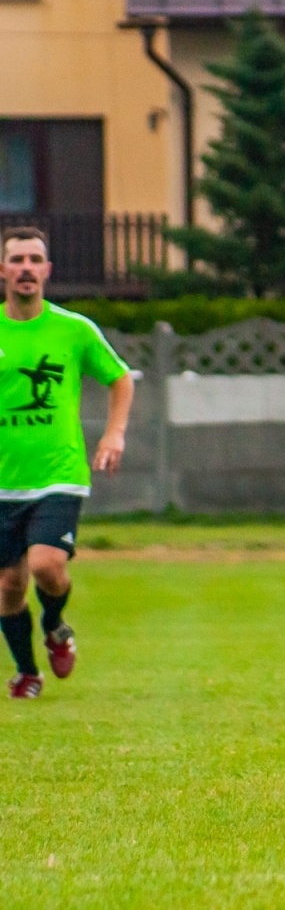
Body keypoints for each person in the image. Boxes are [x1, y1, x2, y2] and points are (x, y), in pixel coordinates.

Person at [0, 227, 134, 699]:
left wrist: (114, 432)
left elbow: (120, 379)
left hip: (60, 473)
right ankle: (27, 672)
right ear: (2, 270)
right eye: (16, 260)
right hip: (3, 481)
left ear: (47, 271)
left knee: (46, 566)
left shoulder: (73, 329)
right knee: (8, 588)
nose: (26, 268)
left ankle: (55, 625)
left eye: (35, 259)